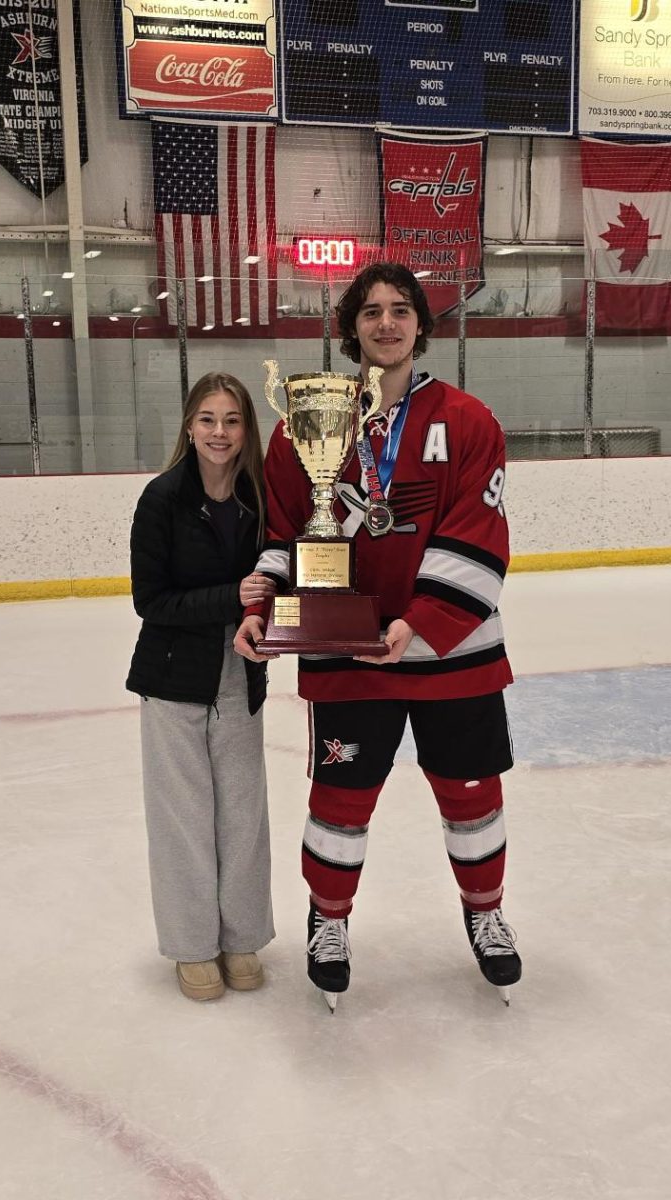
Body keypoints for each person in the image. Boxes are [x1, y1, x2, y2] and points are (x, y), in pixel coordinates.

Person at [234, 262, 521, 1008]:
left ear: (421, 324)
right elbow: (287, 530)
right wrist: (267, 605)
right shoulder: (305, 420)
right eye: (370, 312)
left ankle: (485, 913)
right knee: (341, 797)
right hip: (346, 650)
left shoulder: (467, 420)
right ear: (350, 328)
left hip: (452, 653)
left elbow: (478, 530)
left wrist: (417, 621)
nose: (385, 323)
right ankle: (327, 921)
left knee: (470, 795)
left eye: (399, 310)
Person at [127, 372, 277, 1001]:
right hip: (173, 676)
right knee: (184, 817)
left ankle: (241, 937)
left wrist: (266, 614)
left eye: (233, 420)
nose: (220, 433)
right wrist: (230, 597)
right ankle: (192, 946)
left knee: (243, 812)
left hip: (240, 670)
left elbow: (275, 581)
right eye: (209, 419)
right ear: (189, 426)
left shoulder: (258, 500)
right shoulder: (161, 499)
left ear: (247, 431)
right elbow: (150, 600)